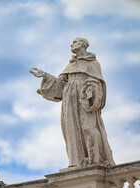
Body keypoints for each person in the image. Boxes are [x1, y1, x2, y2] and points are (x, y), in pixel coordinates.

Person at [30, 38, 115, 167]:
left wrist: (90, 88)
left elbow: (98, 82)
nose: (71, 44)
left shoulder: (93, 63)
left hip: (84, 98)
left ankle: (95, 158)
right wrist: (46, 76)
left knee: (88, 127)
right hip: (69, 100)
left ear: (83, 44)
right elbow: (60, 84)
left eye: (75, 42)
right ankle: (76, 161)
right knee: (71, 129)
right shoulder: (70, 65)